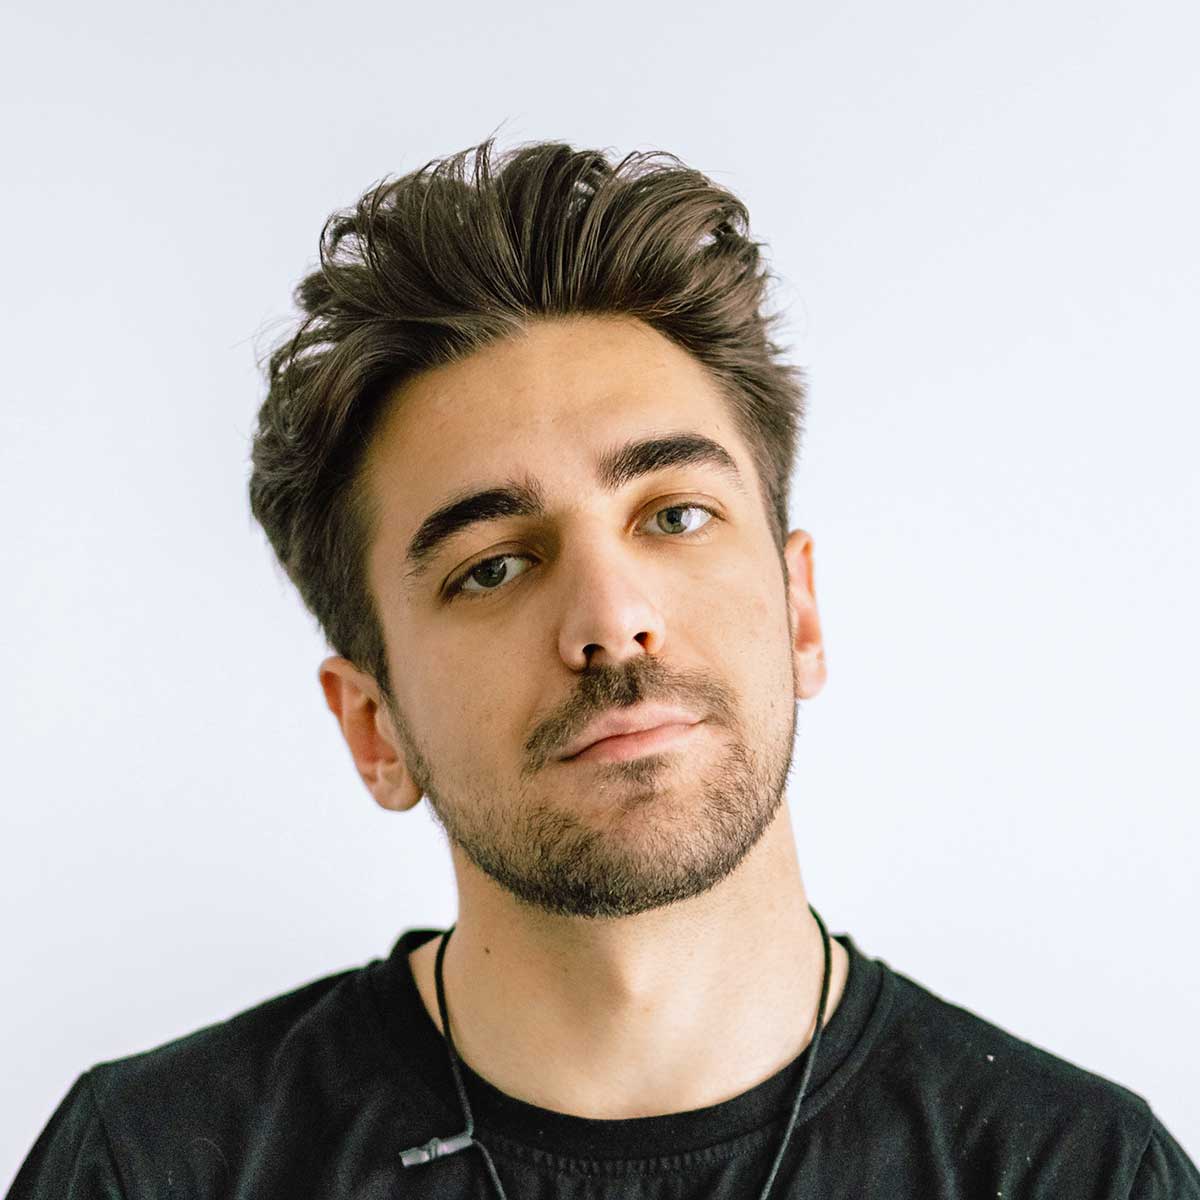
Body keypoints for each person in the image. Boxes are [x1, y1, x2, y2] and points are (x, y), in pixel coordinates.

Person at [8, 137, 1197, 1200]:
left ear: (800, 613)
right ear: (375, 728)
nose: (611, 620)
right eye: (490, 567)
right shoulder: (151, 1166)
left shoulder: (1079, 1173)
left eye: (674, 515)